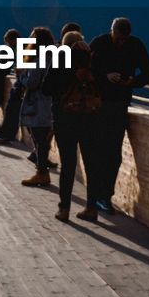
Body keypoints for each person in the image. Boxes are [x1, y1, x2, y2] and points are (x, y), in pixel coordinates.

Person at [88, 17, 149, 213]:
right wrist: (105, 76)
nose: (120, 43)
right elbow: (85, 69)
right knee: (99, 150)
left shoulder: (135, 45)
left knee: (113, 153)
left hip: (118, 105)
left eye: (123, 39)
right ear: (112, 31)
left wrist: (133, 81)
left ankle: (104, 196)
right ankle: (97, 195)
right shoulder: (99, 43)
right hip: (98, 103)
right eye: (118, 39)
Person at [46, 31, 101, 222]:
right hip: (89, 117)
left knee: (68, 164)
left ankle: (64, 208)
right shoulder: (93, 58)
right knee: (91, 163)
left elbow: (48, 87)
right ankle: (92, 208)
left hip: (65, 118)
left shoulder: (61, 57)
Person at [19, 26, 57, 187]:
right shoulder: (55, 57)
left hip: (38, 105)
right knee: (44, 140)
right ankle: (42, 171)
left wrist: (21, 75)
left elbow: (32, 82)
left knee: (39, 139)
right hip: (52, 104)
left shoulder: (40, 59)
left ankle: (42, 173)